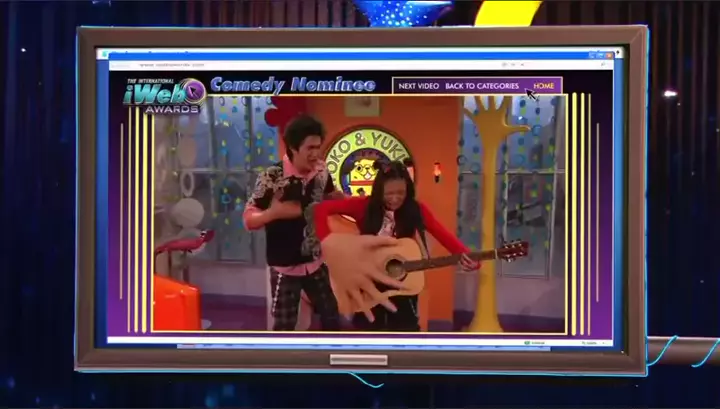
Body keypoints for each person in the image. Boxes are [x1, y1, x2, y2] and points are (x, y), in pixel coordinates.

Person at [311, 160, 480, 331]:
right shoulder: (363, 206)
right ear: (379, 191)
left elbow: (442, 234)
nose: (395, 198)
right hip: (369, 283)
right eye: (389, 193)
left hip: (403, 284)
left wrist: (469, 257)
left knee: (406, 331)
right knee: (367, 330)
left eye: (401, 193)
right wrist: (327, 241)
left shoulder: (416, 209)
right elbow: (319, 210)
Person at [243, 115, 343, 331]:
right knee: (284, 327)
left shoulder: (322, 170)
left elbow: (328, 195)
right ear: (293, 147)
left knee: (332, 318)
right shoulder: (272, 176)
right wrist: (273, 213)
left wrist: (341, 200)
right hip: (284, 267)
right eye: (310, 148)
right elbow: (249, 220)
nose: (315, 154)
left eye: (318, 147)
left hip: (315, 261)